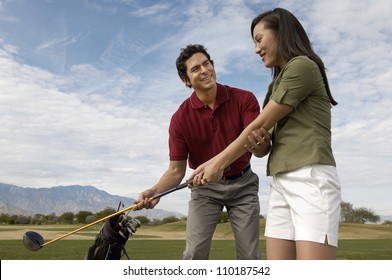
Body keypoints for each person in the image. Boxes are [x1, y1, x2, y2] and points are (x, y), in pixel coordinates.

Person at [190, 8, 342, 260]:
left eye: (259, 39)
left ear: (281, 32)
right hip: (280, 181)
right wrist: (259, 146)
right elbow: (262, 140)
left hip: (311, 178)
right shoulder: (276, 84)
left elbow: (260, 121)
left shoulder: (302, 66)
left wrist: (218, 162)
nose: (257, 49)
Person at [134, 44, 270, 260]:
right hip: (205, 189)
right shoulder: (179, 119)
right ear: (186, 80)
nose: (205, 70)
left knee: (249, 256)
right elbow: (175, 170)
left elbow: (260, 148)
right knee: (194, 253)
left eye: (207, 64)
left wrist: (262, 146)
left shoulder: (244, 99)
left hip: (243, 185)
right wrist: (156, 190)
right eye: (195, 68)